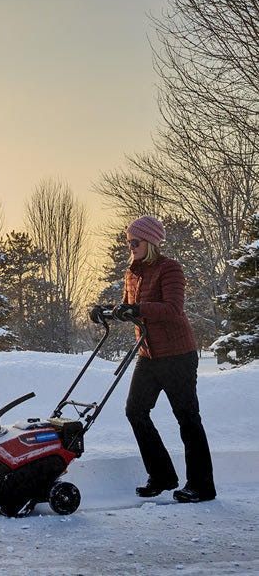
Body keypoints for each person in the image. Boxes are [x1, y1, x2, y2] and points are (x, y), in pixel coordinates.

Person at [93, 216, 216, 503]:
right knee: (135, 410)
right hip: (148, 354)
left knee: (187, 418)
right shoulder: (132, 273)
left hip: (177, 356)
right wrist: (105, 311)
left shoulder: (170, 268)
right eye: (128, 242)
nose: (130, 247)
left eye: (135, 242)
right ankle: (162, 475)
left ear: (150, 242)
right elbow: (130, 308)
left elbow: (172, 309)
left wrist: (137, 308)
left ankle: (202, 486)